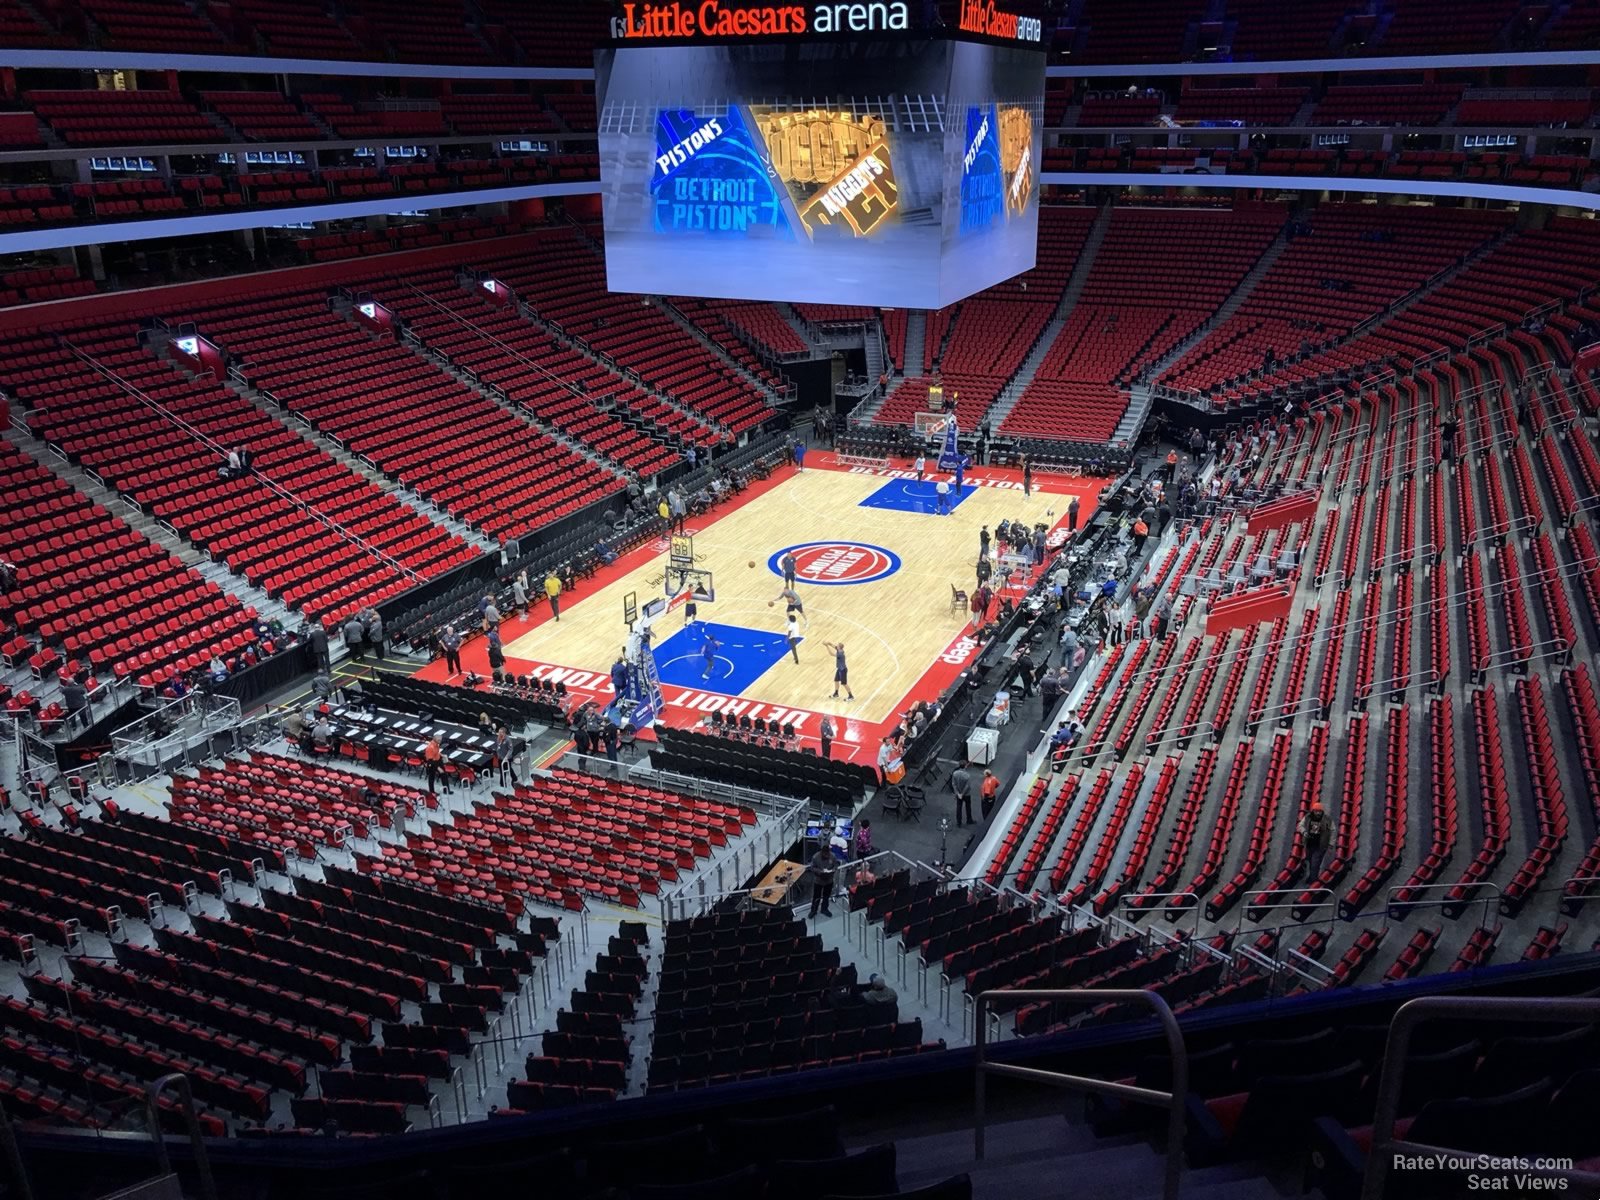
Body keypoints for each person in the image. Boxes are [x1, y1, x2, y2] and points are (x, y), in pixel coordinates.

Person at [806, 843, 837, 917]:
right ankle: (813, 911)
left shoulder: (833, 856)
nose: (826, 855)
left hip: (829, 880)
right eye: (825, 854)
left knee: (826, 896)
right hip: (818, 881)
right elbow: (812, 867)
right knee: (816, 897)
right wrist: (819, 871)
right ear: (822, 852)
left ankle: (824, 909)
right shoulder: (815, 857)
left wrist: (833, 870)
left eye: (828, 854)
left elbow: (835, 865)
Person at [1301, 801, 1329, 879]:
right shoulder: (1308, 817)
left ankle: (1313, 880)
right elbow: (1301, 825)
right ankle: (1311, 877)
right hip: (1309, 844)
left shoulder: (1325, 820)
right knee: (1309, 860)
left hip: (1319, 846)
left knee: (1315, 863)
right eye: (1316, 811)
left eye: (1319, 811)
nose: (1317, 813)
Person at [951, 761, 974, 826]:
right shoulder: (967, 776)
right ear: (965, 766)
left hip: (958, 793)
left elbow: (953, 784)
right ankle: (969, 820)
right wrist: (962, 794)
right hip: (966, 794)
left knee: (959, 807)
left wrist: (957, 793)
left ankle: (959, 822)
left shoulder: (955, 773)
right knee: (968, 807)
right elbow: (967, 786)